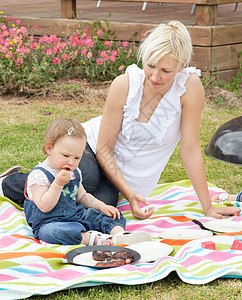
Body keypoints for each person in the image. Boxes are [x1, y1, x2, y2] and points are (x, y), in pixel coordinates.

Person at [1, 20, 240, 220]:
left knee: (103, 204)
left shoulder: (190, 88)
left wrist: (207, 206)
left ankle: (40, 195)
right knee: (83, 182)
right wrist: (130, 194)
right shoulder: (124, 84)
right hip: (90, 150)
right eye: (151, 65)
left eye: (166, 71)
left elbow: (190, 149)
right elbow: (104, 149)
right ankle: (12, 183)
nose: (155, 76)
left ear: (182, 65)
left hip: (119, 176)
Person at [22, 118, 150, 246]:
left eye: (77, 157)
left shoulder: (74, 171)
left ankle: (120, 234)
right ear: (49, 148)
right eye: (66, 155)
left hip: (75, 215)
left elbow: (83, 196)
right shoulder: (39, 175)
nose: (71, 162)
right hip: (50, 222)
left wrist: (102, 206)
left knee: (109, 214)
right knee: (51, 232)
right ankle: (91, 238)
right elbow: (45, 206)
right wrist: (57, 184)